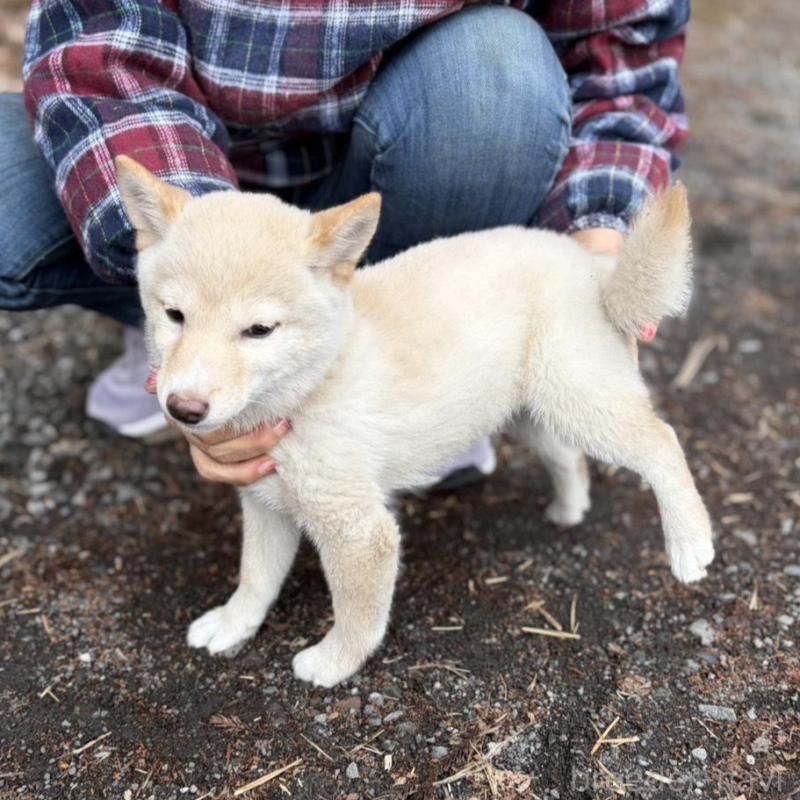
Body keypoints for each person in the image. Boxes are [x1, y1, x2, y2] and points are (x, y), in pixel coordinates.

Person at [0, 0, 688, 488]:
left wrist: (596, 244)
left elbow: (621, 41)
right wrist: (202, 284)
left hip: (418, 148)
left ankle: (424, 363)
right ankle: (174, 323)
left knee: (494, 73)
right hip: (208, 175)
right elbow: (100, 45)